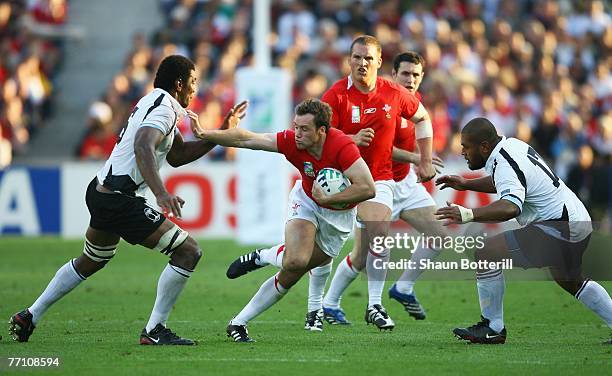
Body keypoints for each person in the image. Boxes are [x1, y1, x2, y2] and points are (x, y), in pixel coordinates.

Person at [8, 55, 247, 345]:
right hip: (120, 199)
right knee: (188, 252)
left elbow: (178, 156)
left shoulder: (155, 102)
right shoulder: (164, 109)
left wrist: (221, 130)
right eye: (194, 82)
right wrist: (161, 193)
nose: (196, 89)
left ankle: (30, 315)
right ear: (179, 83)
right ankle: (155, 330)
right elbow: (143, 145)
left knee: (92, 260)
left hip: (101, 192)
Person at [190, 98, 375, 342]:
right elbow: (247, 138)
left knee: (293, 270)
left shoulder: (341, 146)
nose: (297, 133)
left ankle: (265, 258)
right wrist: (206, 133)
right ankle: (239, 323)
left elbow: (368, 188)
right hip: (307, 201)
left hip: (338, 215)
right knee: (297, 259)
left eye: (304, 129)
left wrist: (332, 199)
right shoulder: (292, 141)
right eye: (296, 126)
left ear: (322, 130)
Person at [435, 117, 612, 344]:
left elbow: (510, 206)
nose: (462, 152)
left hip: (558, 226)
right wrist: (466, 183)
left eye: (466, 146)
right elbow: (508, 180)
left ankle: (492, 327)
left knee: (487, 253)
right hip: (576, 220)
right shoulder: (511, 146)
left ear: (484, 147)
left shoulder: (505, 160)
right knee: (570, 280)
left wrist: (468, 213)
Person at [316, 38, 436, 330]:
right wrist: (349, 140)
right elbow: (317, 136)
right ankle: (330, 303)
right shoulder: (336, 96)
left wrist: (426, 159)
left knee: (433, 233)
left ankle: (379, 302)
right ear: (349, 60)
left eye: (368, 58)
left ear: (378, 62)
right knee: (356, 255)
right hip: (352, 179)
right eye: (357, 57)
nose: (362, 63)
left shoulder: (395, 95)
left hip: (390, 181)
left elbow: (423, 118)